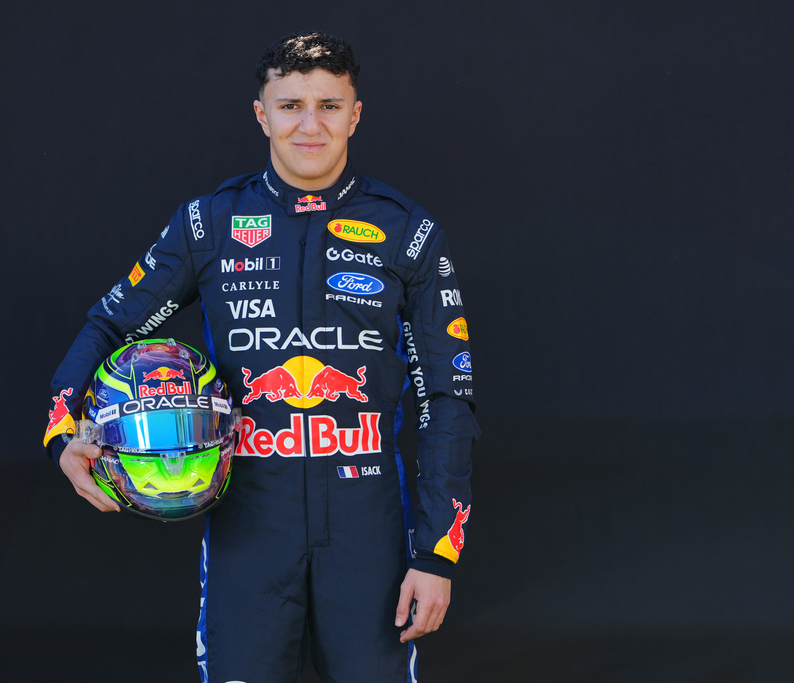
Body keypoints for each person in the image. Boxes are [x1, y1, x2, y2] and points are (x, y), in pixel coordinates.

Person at [43, 31, 479, 682]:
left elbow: (449, 398)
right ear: (261, 113)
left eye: (330, 105)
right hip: (250, 520)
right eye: (291, 105)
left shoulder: (408, 232)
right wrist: (62, 432)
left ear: (356, 114)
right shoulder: (208, 224)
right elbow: (111, 322)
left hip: (368, 526)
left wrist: (437, 553)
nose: (310, 124)